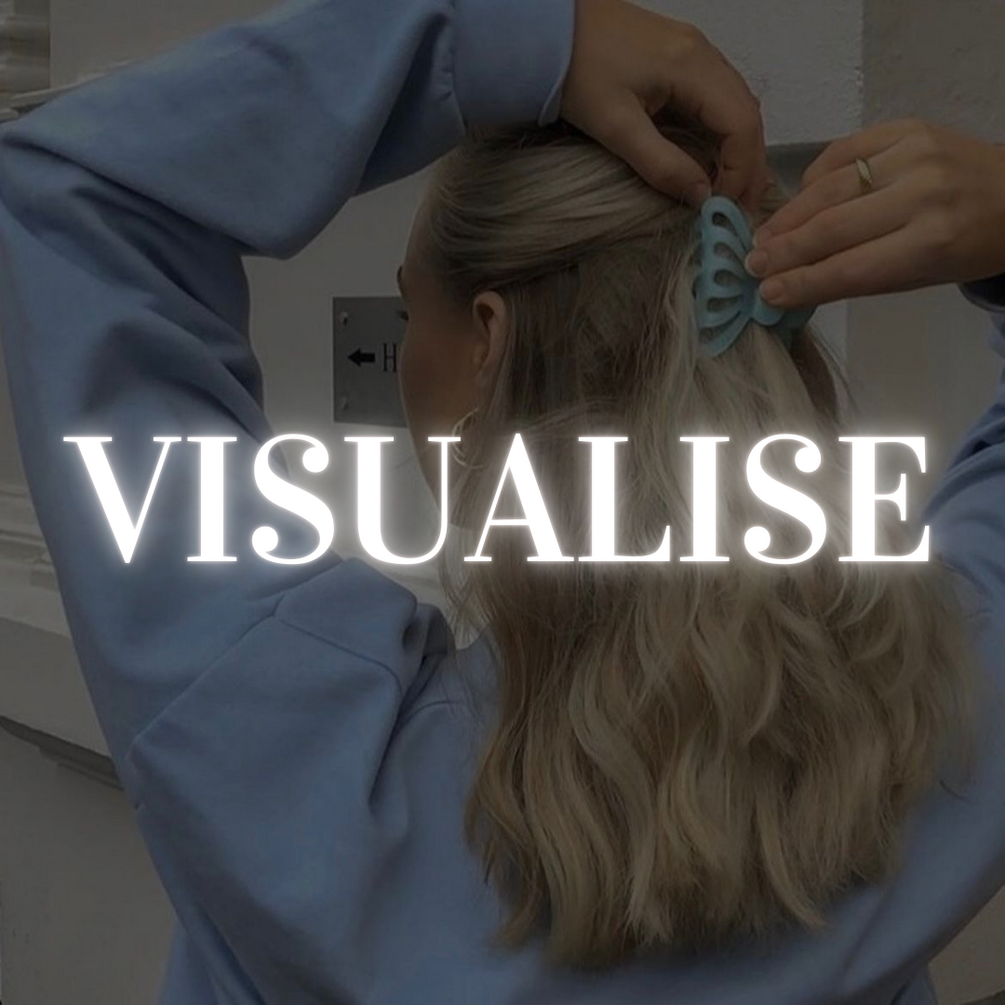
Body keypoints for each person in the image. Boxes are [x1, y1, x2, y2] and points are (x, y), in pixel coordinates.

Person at [0, 0, 1003, 1001]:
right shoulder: (941, 715)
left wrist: (504, 37)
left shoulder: (290, 747)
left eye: (409, 310)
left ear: (488, 339)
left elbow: (72, 194)